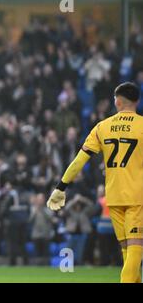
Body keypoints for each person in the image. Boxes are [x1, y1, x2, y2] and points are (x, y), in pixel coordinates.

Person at [47, 82, 143, 283]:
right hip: (137, 196)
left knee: (128, 252)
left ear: (117, 101)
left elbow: (79, 161)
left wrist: (60, 187)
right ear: (138, 101)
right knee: (136, 248)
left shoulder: (102, 127)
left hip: (113, 197)